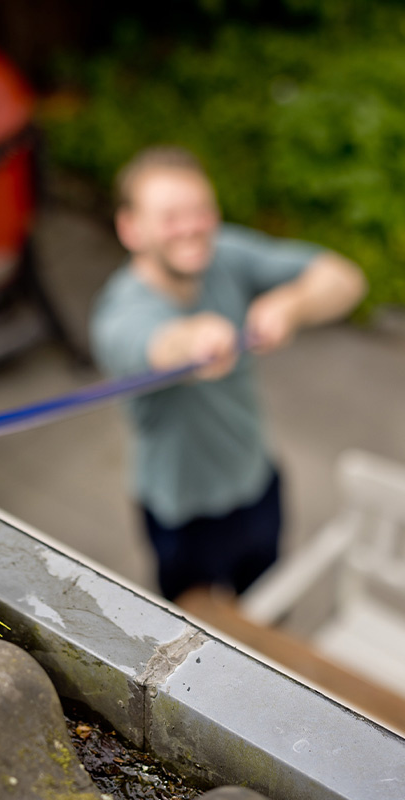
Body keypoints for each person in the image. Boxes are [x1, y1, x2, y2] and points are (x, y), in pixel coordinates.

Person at [90, 145, 367, 602]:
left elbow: (345, 279)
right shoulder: (118, 313)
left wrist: (291, 305)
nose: (191, 227)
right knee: (194, 631)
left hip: (257, 479)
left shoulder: (224, 253)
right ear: (130, 228)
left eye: (201, 210)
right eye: (171, 216)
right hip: (181, 513)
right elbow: (157, 345)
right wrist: (195, 339)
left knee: (270, 605)